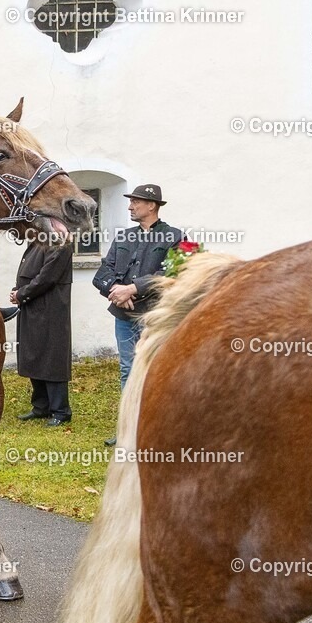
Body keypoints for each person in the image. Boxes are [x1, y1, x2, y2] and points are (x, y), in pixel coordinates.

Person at [93, 183, 182, 446]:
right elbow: (103, 273)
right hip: (124, 316)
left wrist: (133, 288)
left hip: (155, 316)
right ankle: (128, 431)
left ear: (151, 205)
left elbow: (174, 274)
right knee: (127, 370)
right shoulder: (123, 237)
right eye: (130, 202)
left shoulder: (174, 237)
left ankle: (156, 429)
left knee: (156, 369)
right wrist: (116, 291)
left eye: (135, 202)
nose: (130, 206)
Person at [11, 241, 74, 427]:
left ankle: (60, 411)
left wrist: (21, 294)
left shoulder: (61, 243)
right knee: (34, 355)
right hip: (32, 308)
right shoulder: (39, 241)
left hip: (51, 311)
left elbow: (47, 278)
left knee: (52, 358)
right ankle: (41, 406)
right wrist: (19, 292)